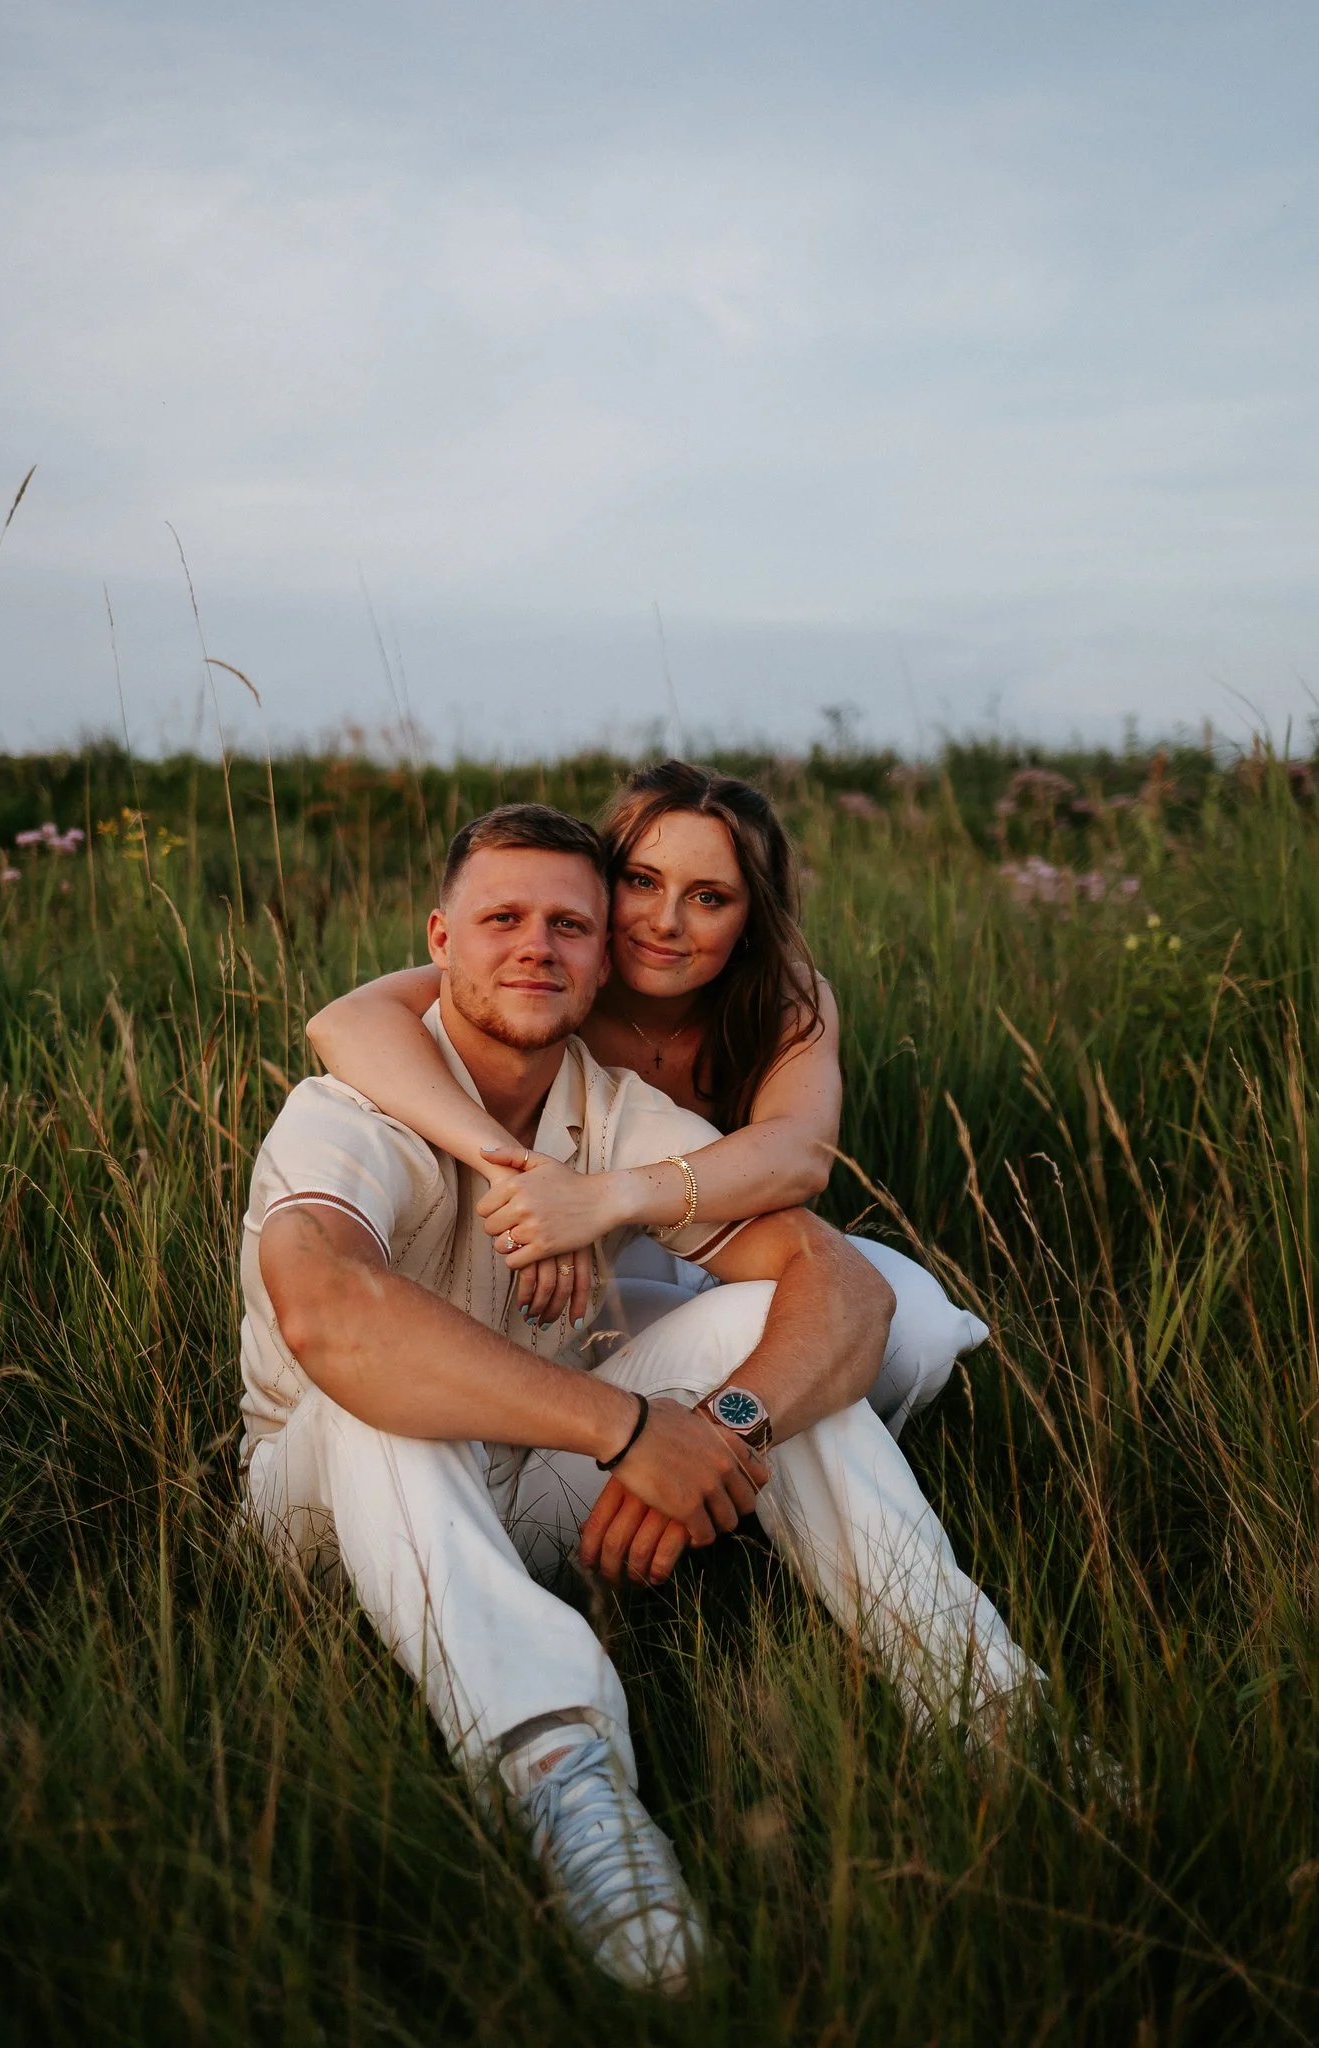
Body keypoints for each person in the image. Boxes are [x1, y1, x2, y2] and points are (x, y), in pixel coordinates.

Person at [244, 804, 1037, 1994]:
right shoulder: (351, 1107)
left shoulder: (617, 1111)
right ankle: (565, 1776)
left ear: (604, 956)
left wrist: (721, 1430)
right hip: (332, 1511)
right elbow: (329, 1316)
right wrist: (625, 1429)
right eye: (503, 919)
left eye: (569, 923)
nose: (536, 946)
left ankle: (991, 1712)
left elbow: (844, 1286)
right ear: (439, 939)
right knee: (374, 1395)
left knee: (753, 1323)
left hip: (535, 1480)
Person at [307, 759, 988, 1443]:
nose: (665, 922)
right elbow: (343, 1025)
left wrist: (609, 1196)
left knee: (919, 1336)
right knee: (644, 1333)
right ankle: (637, 1458)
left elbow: (799, 1156)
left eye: (708, 898)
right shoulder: (551, 972)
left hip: (738, 1235)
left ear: (750, 917)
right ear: (603, 883)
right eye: (641, 882)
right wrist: (525, 1174)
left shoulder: (784, 1000)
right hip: (585, 1258)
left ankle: (754, 1465)